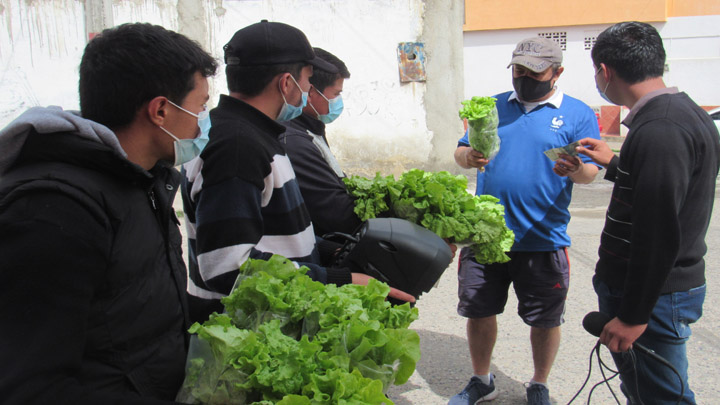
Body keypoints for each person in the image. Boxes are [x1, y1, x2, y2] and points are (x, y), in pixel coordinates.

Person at [0, 23, 217, 404]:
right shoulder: (55, 211)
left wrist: (242, 312)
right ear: (161, 110)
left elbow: (136, 305)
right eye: (201, 106)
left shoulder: (142, 179)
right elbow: (33, 386)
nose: (204, 121)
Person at [181, 20, 414, 324]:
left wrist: (331, 251)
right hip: (244, 329)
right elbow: (227, 267)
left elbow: (274, 234)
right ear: (286, 83)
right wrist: (339, 280)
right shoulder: (237, 146)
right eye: (306, 80)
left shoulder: (254, 134)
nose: (307, 89)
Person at [449, 37, 601, 405]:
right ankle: (482, 379)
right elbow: (459, 150)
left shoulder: (578, 113)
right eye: (519, 70)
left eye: (535, 72)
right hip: (486, 236)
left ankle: (538, 383)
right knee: (480, 310)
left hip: (544, 237)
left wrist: (577, 169)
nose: (525, 77)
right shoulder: (493, 106)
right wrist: (467, 156)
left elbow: (591, 173)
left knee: (544, 319)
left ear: (557, 73)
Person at [576, 21, 719, 404]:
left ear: (605, 71)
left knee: (661, 398)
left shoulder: (661, 129)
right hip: (654, 293)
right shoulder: (679, 113)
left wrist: (634, 314)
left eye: (596, 73)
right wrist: (614, 163)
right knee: (647, 391)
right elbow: (666, 188)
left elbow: (658, 230)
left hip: (653, 298)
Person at [279, 47, 362, 238]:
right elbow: (336, 212)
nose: (338, 101)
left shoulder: (311, 128)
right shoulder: (292, 140)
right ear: (311, 92)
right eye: (335, 94)